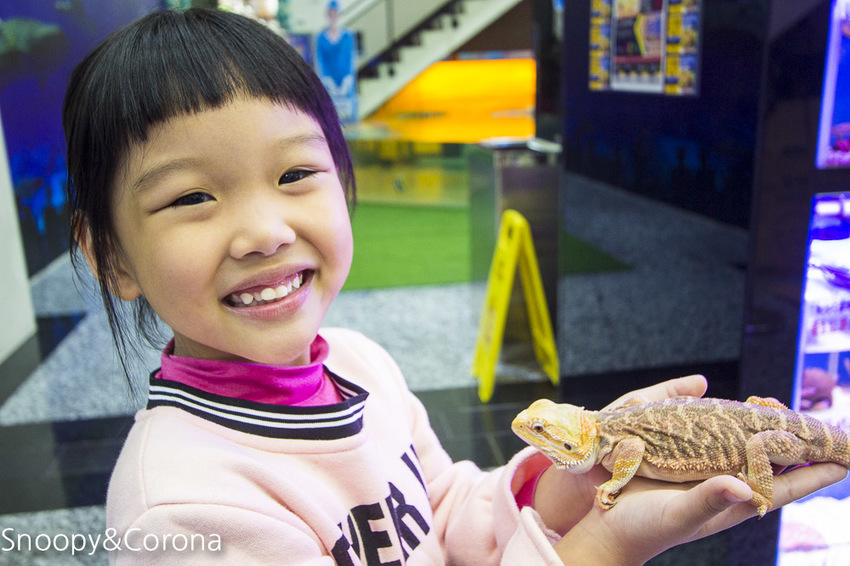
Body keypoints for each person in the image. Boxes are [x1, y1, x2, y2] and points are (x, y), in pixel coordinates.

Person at [62, 8, 845, 565]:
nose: (264, 230)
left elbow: (442, 510)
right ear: (113, 258)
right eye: (192, 196)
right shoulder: (181, 511)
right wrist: (597, 553)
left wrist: (561, 489)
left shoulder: (363, 363)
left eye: (296, 172)